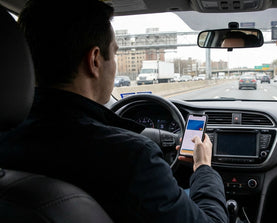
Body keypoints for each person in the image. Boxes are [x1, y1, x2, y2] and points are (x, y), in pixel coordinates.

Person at [0, 0, 228, 222]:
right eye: (116, 53)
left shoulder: (5, 137)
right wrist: (203, 168)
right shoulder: (133, 158)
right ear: (95, 60)